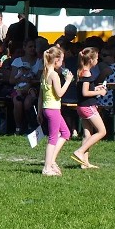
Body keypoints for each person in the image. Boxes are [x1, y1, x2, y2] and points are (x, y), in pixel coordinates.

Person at [40, 45, 74, 176]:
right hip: (53, 109)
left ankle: (52, 161)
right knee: (53, 138)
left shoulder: (44, 73)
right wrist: (68, 82)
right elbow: (59, 93)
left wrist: (39, 111)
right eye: (62, 61)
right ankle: (47, 167)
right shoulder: (54, 75)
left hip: (47, 108)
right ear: (56, 60)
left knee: (65, 133)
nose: (63, 63)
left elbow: (40, 95)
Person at [71, 47, 107, 168]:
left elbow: (85, 89)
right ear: (91, 60)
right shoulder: (87, 73)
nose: (98, 60)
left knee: (88, 134)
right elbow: (85, 92)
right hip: (88, 107)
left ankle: (84, 163)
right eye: (96, 58)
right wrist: (99, 93)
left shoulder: (81, 71)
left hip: (81, 107)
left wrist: (95, 88)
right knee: (102, 131)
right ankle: (80, 151)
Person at [9, 39, 42, 135]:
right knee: (17, 102)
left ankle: (30, 126)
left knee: (28, 102)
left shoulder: (39, 61)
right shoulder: (17, 61)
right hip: (19, 88)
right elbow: (11, 80)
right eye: (30, 47)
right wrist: (23, 79)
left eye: (34, 47)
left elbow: (40, 79)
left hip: (32, 88)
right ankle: (18, 127)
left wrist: (31, 81)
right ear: (24, 48)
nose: (32, 49)